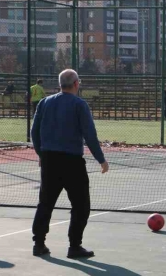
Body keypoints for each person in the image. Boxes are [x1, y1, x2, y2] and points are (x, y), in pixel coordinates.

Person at [31, 69, 109, 259]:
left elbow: (34, 132)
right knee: (81, 205)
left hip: (50, 160)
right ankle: (74, 246)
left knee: (45, 203)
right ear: (76, 84)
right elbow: (90, 135)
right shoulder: (79, 105)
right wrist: (101, 159)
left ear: (60, 84)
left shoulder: (45, 102)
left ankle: (39, 243)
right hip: (72, 162)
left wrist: (42, 153)